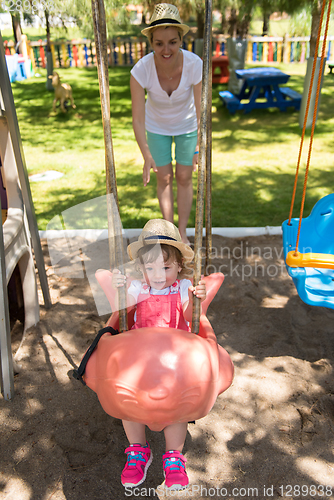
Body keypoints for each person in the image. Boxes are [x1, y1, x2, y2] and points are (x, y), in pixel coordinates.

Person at [111, 218, 207, 490]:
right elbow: (123, 312)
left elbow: (191, 317)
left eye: (166, 267)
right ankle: (138, 449)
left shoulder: (183, 288)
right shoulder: (137, 289)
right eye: (150, 267)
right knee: (127, 403)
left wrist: (197, 300)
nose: (158, 274)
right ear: (141, 267)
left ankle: (174, 456)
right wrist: (119, 288)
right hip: (141, 360)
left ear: (179, 265)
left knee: (177, 408)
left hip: (174, 361)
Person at [130, 4, 203, 244]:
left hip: (188, 126)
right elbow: (138, 118)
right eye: (159, 43)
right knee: (164, 178)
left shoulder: (195, 65)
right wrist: (146, 154)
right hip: (156, 128)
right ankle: (170, 233)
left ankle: (182, 232)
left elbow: (202, 111)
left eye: (172, 41)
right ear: (151, 43)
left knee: (184, 177)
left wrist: (198, 148)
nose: (166, 49)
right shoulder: (140, 70)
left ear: (181, 39)